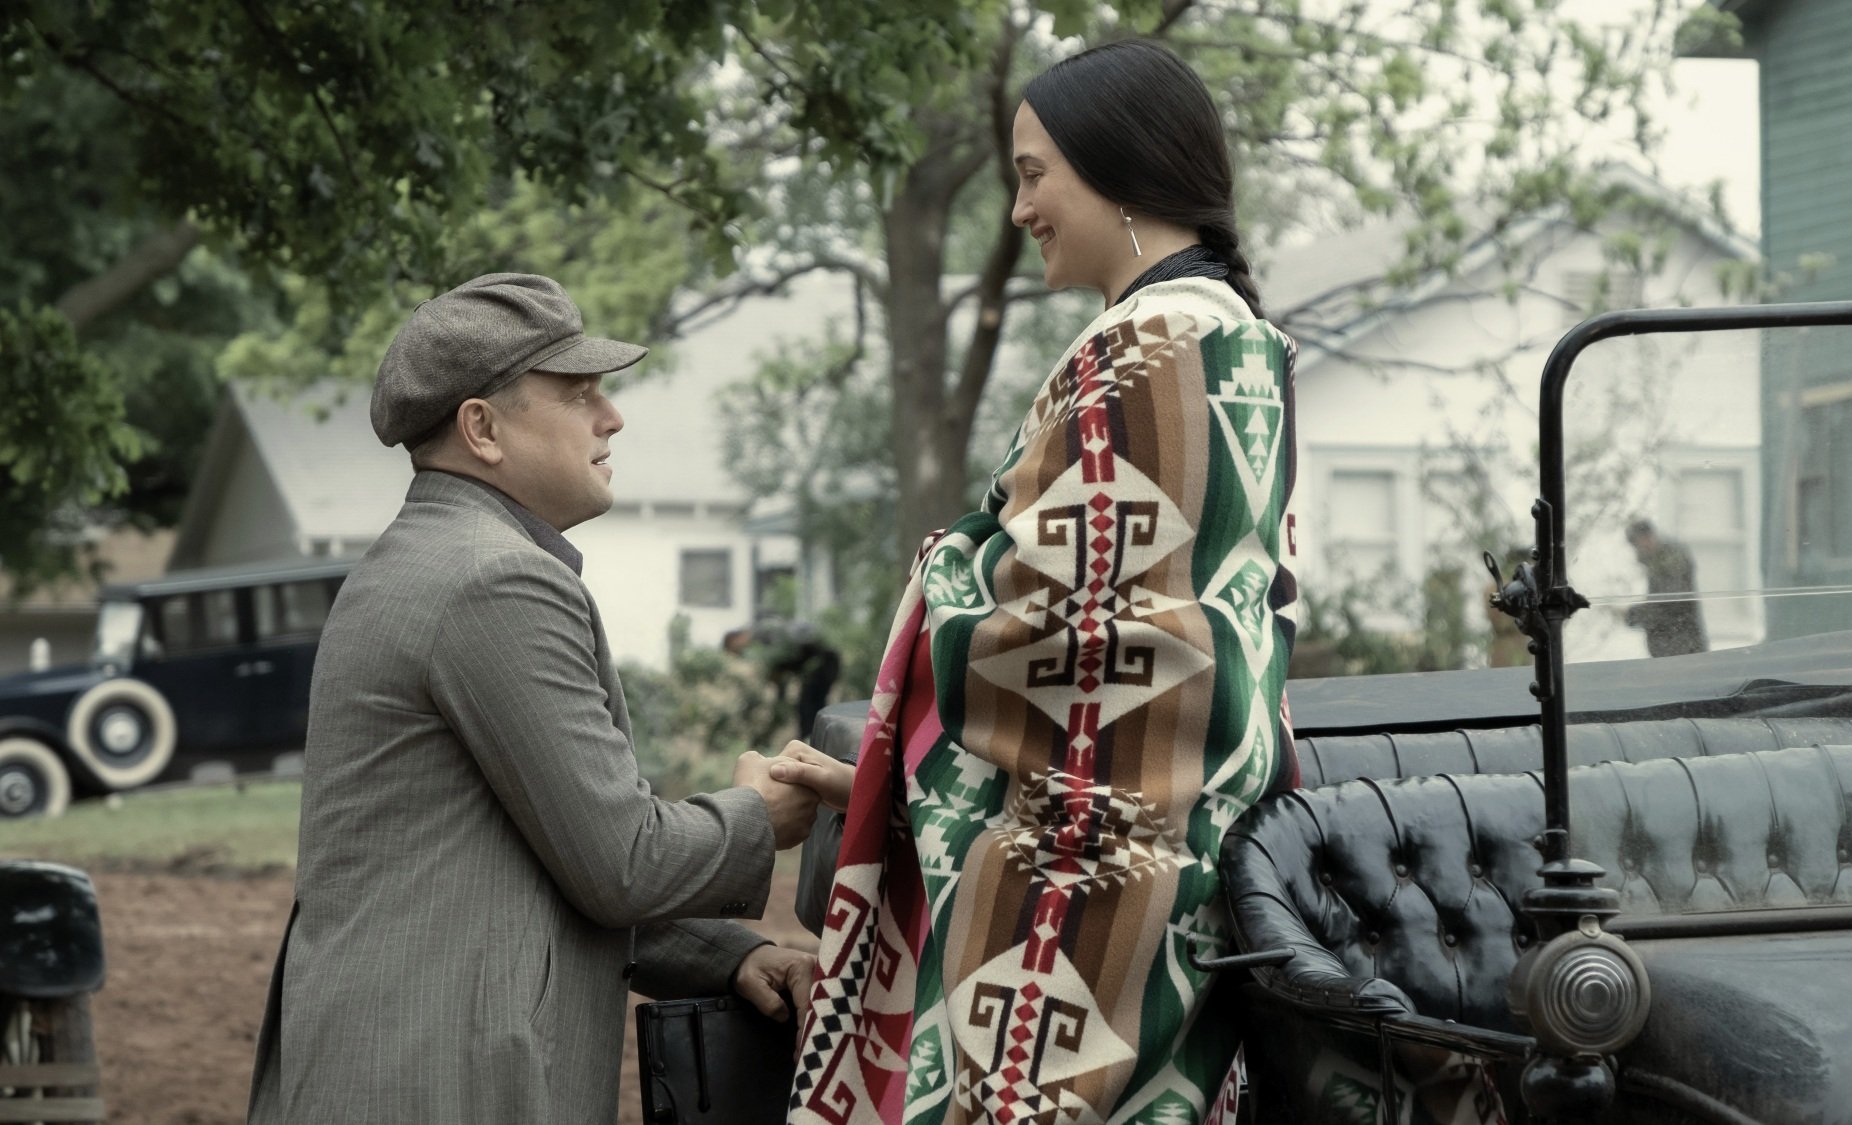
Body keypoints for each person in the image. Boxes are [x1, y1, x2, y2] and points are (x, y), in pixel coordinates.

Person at [785, 41, 1308, 1125]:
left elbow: (1068, 633)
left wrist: (947, 565)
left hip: (1089, 871)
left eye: (1033, 173)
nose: (1019, 206)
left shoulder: (1150, 341)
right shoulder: (1230, 335)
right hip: (1175, 837)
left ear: (1117, 167)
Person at [246, 274, 823, 1125]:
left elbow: (545, 863)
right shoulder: (493, 577)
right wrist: (756, 813)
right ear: (481, 428)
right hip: (441, 1085)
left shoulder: (430, 558)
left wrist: (724, 955)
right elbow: (621, 861)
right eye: (580, 394)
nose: (612, 418)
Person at [726, 618, 846, 738]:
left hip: (822, 664)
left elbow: (788, 657)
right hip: (818, 665)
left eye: (735, 649)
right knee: (808, 708)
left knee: (810, 708)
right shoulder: (764, 640)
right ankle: (813, 741)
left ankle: (813, 743)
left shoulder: (763, 635)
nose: (741, 653)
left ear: (736, 639)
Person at [1623, 518, 1709, 657]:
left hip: (1682, 649)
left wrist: (1632, 615)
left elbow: (1671, 605)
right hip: (1671, 648)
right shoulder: (1655, 563)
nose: (1641, 547)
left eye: (1642, 540)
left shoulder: (1673, 560)